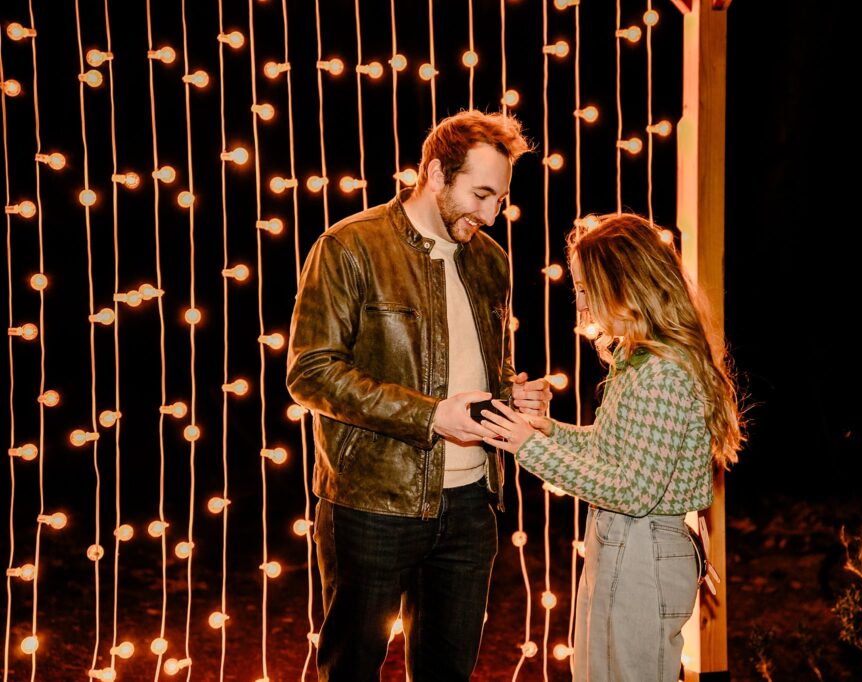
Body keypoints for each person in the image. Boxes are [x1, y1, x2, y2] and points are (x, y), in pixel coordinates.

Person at [286, 110, 551, 682]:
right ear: (435, 172)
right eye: (480, 195)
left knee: (447, 671)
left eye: (499, 200)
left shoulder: (491, 262)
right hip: (371, 503)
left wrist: (516, 396)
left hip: (472, 504)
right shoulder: (349, 246)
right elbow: (310, 371)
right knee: (351, 667)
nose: (489, 214)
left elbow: (483, 365)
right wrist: (431, 417)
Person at [480, 213, 743, 682]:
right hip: (624, 541)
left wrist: (530, 450)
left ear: (627, 283)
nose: (579, 303)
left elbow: (635, 490)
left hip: (644, 550)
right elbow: (612, 450)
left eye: (586, 289)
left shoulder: (663, 372)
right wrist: (545, 431)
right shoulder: (637, 359)